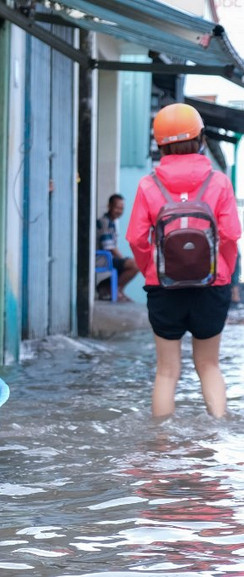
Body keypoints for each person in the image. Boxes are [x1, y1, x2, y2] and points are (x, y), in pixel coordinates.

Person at [126, 103, 241, 419]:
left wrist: (152, 268)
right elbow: (231, 235)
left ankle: (161, 445)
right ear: (201, 138)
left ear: (159, 143)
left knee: (166, 371)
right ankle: (218, 433)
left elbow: (136, 238)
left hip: (164, 287)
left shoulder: (149, 184)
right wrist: (225, 273)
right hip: (212, 285)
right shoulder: (218, 182)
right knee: (209, 365)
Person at [96, 194, 139, 301]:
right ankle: (113, 289)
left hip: (107, 257)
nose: (119, 211)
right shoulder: (105, 222)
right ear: (109, 206)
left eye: (121, 208)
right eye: (117, 207)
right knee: (135, 265)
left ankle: (110, 287)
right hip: (100, 258)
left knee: (131, 264)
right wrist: (123, 259)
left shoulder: (112, 222)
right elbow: (109, 246)